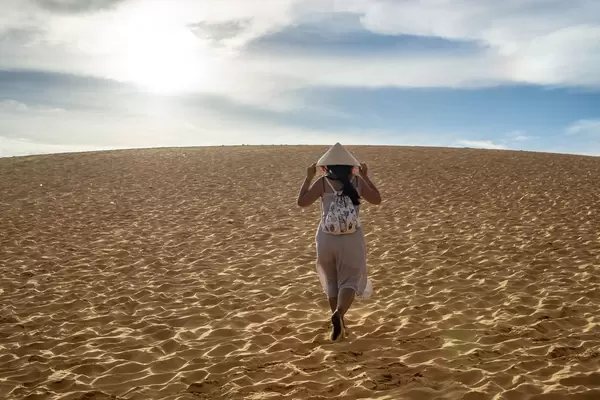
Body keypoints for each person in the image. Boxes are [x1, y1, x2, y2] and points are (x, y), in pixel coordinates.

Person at [296, 143, 382, 341]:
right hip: (351, 239)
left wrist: (308, 178)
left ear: (327, 166)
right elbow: (377, 199)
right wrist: (366, 177)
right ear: (351, 166)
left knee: (332, 280)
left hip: (326, 239)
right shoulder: (357, 182)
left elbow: (301, 202)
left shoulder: (322, 183)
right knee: (350, 280)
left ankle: (338, 323)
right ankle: (340, 314)